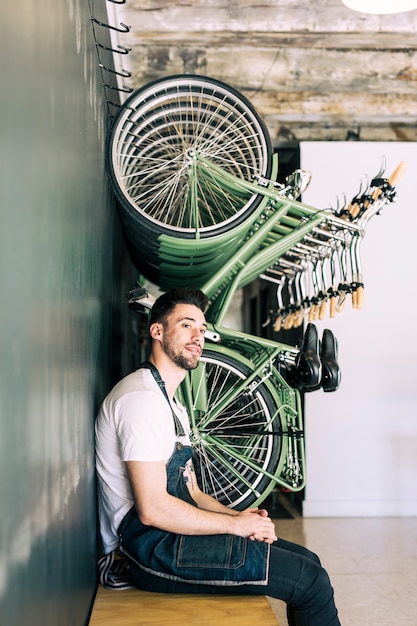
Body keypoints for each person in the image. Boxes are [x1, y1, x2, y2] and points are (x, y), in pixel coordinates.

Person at [95, 287, 341, 626]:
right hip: (145, 551)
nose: (199, 336)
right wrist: (235, 525)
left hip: (171, 536)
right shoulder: (141, 401)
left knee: (309, 561)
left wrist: (245, 520)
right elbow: (152, 510)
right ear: (157, 331)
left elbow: (192, 493)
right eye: (186, 325)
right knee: (309, 581)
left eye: (201, 327)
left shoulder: (172, 403)